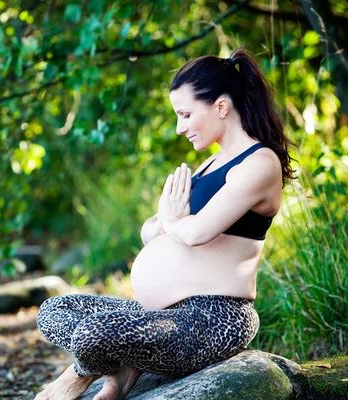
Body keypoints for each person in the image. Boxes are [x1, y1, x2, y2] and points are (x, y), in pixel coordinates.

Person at [34, 46, 297, 400]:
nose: (179, 128)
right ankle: (123, 367)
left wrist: (172, 222)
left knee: (94, 333)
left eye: (185, 114)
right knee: (55, 309)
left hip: (213, 317)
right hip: (158, 315)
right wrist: (168, 222)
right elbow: (152, 229)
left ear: (221, 106)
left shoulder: (258, 162)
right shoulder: (208, 165)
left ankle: (80, 375)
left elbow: (197, 232)